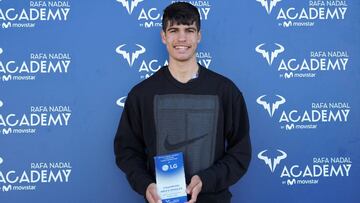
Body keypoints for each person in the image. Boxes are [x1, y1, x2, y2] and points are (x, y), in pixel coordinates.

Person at [114, 2, 251, 203]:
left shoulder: (225, 91)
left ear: (199, 36)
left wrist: (207, 180)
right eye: (173, 30)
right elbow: (126, 150)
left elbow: (241, 152)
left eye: (189, 30)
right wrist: (146, 184)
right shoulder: (142, 94)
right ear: (163, 36)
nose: (181, 38)